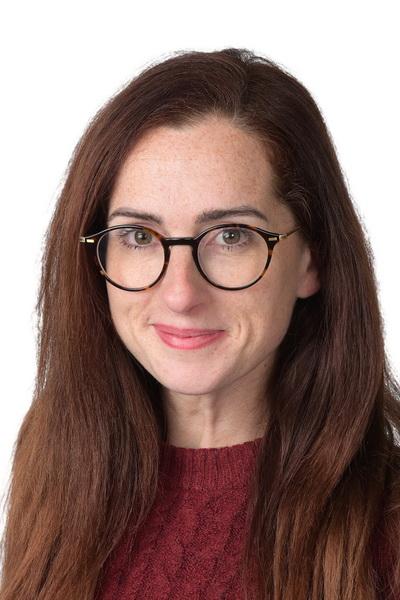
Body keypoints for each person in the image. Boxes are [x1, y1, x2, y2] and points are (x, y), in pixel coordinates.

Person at [0, 48, 399, 600]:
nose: (181, 294)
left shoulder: (387, 526)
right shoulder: (57, 467)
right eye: (139, 236)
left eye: (231, 236)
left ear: (312, 259)